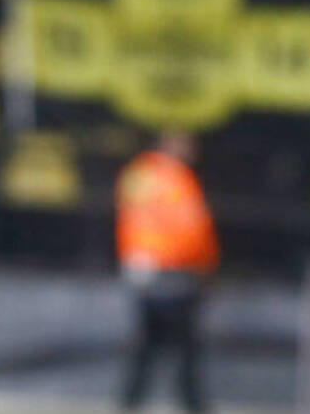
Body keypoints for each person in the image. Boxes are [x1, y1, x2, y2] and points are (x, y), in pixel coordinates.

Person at [116, 132, 219, 414]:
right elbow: (193, 230)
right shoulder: (178, 180)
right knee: (183, 352)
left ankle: (129, 404)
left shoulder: (139, 173)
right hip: (176, 275)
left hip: (144, 273)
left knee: (146, 349)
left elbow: (130, 217)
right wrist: (206, 264)